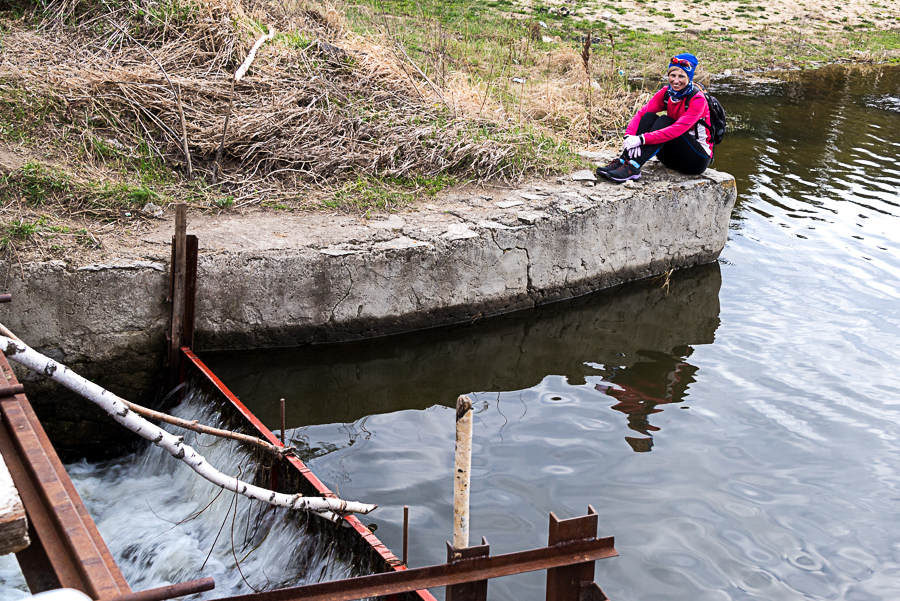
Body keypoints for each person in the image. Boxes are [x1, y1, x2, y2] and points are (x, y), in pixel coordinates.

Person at [597, 53, 713, 183]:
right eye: (672, 75)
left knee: (665, 121)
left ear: (689, 78)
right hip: (670, 156)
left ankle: (633, 167)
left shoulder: (697, 99)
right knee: (649, 116)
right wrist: (629, 136)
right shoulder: (666, 93)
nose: (676, 80)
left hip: (696, 160)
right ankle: (624, 160)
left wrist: (641, 139)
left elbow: (677, 129)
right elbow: (641, 113)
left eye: (681, 76)